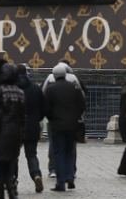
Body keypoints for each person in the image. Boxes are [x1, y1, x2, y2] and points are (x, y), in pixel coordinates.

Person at [0, 60, 26, 199]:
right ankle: (13, 194)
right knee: (9, 165)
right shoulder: (20, 92)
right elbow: (22, 117)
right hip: (15, 132)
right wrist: (21, 136)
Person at [43, 63, 85, 192]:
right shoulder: (74, 87)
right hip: (72, 125)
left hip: (57, 125)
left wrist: (51, 119)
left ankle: (60, 183)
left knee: (59, 153)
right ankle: (70, 176)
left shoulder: (50, 89)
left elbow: (46, 108)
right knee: (69, 151)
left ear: (54, 76)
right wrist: (75, 116)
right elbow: (82, 104)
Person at [16, 64, 45, 193]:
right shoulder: (35, 89)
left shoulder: (12, 88)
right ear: (27, 74)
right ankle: (36, 175)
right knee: (31, 154)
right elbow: (43, 108)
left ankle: (12, 178)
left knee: (13, 155)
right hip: (32, 126)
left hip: (15, 127)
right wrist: (36, 119)